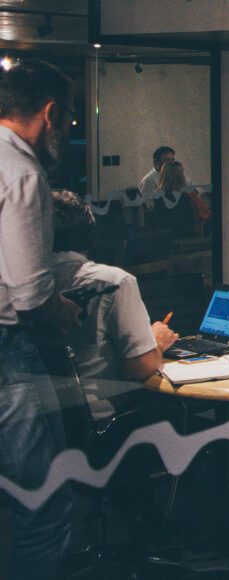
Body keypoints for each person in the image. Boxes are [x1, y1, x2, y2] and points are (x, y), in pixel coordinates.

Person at [0, 58, 82, 580]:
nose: (70, 129)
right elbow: (29, 294)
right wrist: (64, 312)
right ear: (50, 112)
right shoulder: (23, 172)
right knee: (42, 502)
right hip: (9, 354)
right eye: (70, 118)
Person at [50, 189, 180, 414]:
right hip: (101, 419)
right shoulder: (111, 282)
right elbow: (139, 368)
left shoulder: (15, 288)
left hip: (32, 426)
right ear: (89, 232)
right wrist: (156, 341)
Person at [157, 159, 211, 235]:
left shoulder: (158, 196)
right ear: (180, 176)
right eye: (182, 173)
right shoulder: (187, 194)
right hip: (188, 232)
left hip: (166, 234)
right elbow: (203, 214)